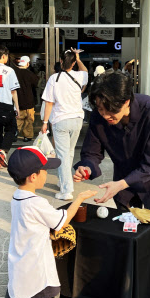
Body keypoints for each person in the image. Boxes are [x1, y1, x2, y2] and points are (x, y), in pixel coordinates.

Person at [2, 145, 97, 298]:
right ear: (34, 177)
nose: (48, 173)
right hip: (38, 273)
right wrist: (80, 197)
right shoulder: (36, 203)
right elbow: (61, 221)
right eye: (45, 170)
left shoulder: (17, 197)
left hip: (19, 271)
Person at [73, 71, 150, 227]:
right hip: (124, 178)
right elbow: (92, 151)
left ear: (126, 101)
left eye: (111, 110)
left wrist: (120, 184)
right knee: (126, 233)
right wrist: (86, 166)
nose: (105, 115)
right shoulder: (98, 115)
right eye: (101, 109)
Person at [41, 49, 88, 200]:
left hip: (61, 120)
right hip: (77, 119)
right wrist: (78, 58)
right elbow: (85, 70)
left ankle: (66, 190)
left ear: (61, 61)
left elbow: (49, 102)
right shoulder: (80, 75)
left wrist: (44, 122)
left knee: (62, 155)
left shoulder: (53, 79)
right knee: (69, 152)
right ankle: (64, 183)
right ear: (73, 63)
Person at [14, 55, 39, 142]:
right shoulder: (30, 74)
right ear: (27, 64)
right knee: (29, 120)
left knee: (18, 120)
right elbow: (36, 84)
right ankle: (27, 136)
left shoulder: (14, 73)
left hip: (18, 101)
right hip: (29, 101)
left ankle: (14, 133)